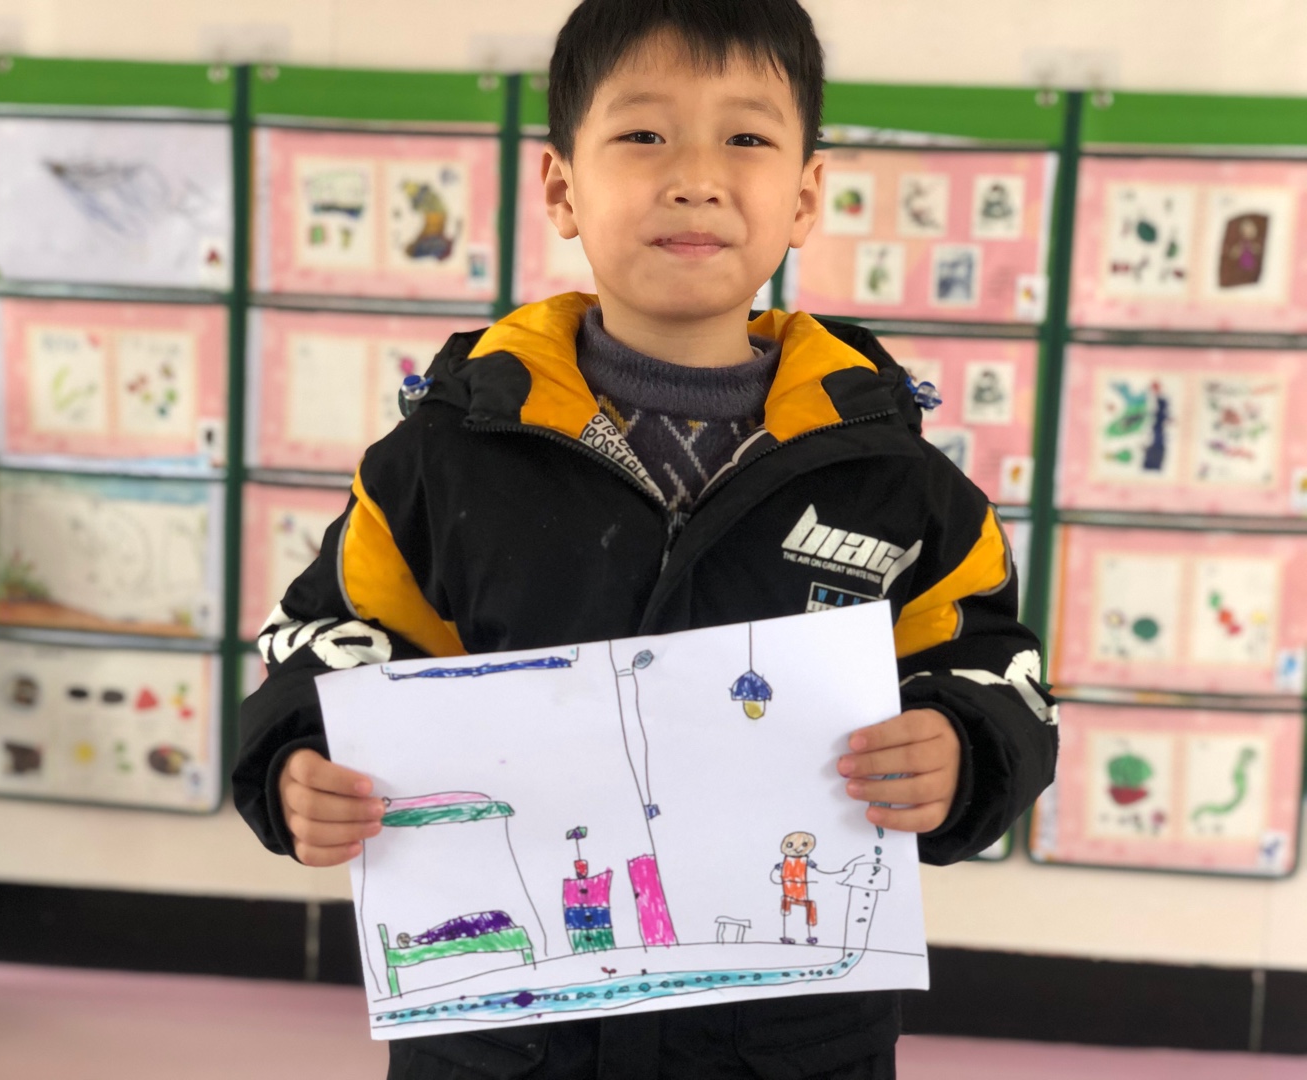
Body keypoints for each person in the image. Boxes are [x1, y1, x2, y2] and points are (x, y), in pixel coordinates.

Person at [235, 1, 1058, 1075]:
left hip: (792, 1044)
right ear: (560, 188)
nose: (695, 177)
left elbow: (995, 667)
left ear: (806, 195)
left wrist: (962, 746)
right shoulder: (439, 461)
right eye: (643, 133)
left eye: (746, 137)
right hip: (504, 1041)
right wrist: (297, 761)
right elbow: (325, 641)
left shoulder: (897, 481)